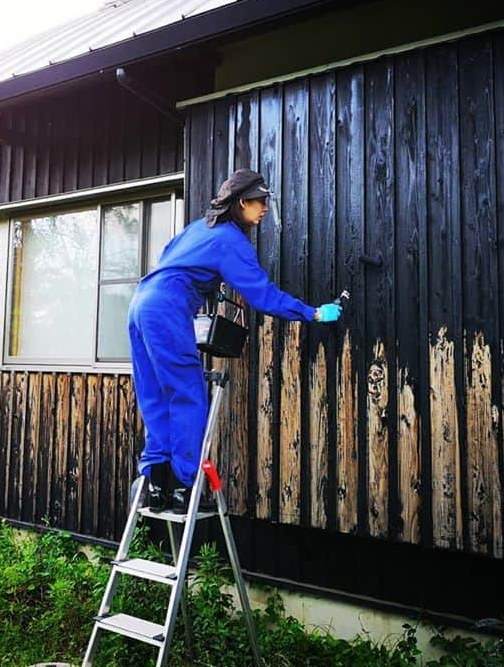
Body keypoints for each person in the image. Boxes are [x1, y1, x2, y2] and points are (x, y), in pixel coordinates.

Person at [128, 169, 343, 512]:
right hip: (167, 307)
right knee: (188, 395)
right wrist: (312, 313)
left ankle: (157, 487)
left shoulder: (199, 229)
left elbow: (174, 264)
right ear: (242, 203)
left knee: (155, 394)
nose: (264, 210)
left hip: (141, 303)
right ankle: (186, 488)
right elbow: (262, 295)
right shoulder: (231, 241)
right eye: (260, 203)